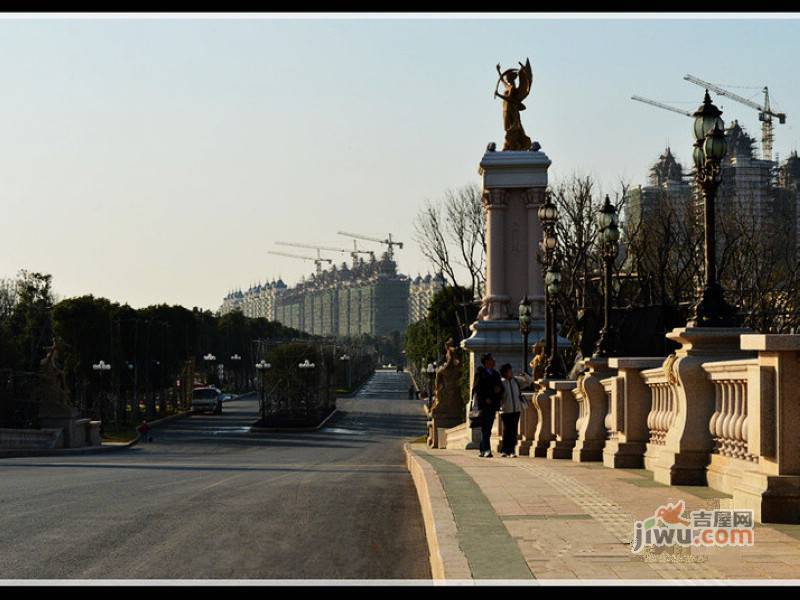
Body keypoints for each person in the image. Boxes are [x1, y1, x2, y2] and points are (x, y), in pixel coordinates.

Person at [471, 353, 504, 458]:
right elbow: (477, 388)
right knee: (486, 428)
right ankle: (487, 450)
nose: (493, 361)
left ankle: (482, 449)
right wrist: (485, 398)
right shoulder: (480, 373)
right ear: (486, 362)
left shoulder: (495, 373)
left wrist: (499, 390)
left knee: (487, 428)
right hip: (483, 405)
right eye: (491, 359)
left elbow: (501, 387)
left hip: (493, 404)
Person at [499, 364, 525, 457]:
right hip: (506, 410)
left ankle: (512, 450)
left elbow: (528, 382)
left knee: (513, 430)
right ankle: (505, 450)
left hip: (516, 409)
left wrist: (524, 375)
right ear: (505, 372)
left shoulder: (515, 381)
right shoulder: (501, 382)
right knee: (506, 430)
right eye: (509, 371)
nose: (511, 372)